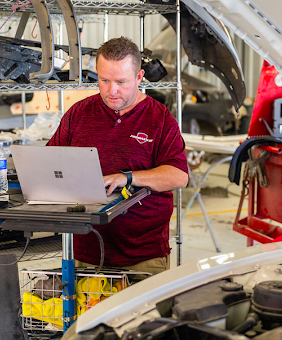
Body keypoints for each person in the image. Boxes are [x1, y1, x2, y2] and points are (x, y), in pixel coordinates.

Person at [47, 37, 188, 275]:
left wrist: (127, 178)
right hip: (85, 252)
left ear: (139, 77)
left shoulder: (160, 118)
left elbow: (178, 176)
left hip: (143, 257)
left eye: (121, 82)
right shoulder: (80, 113)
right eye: (104, 80)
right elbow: (51, 161)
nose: (112, 90)